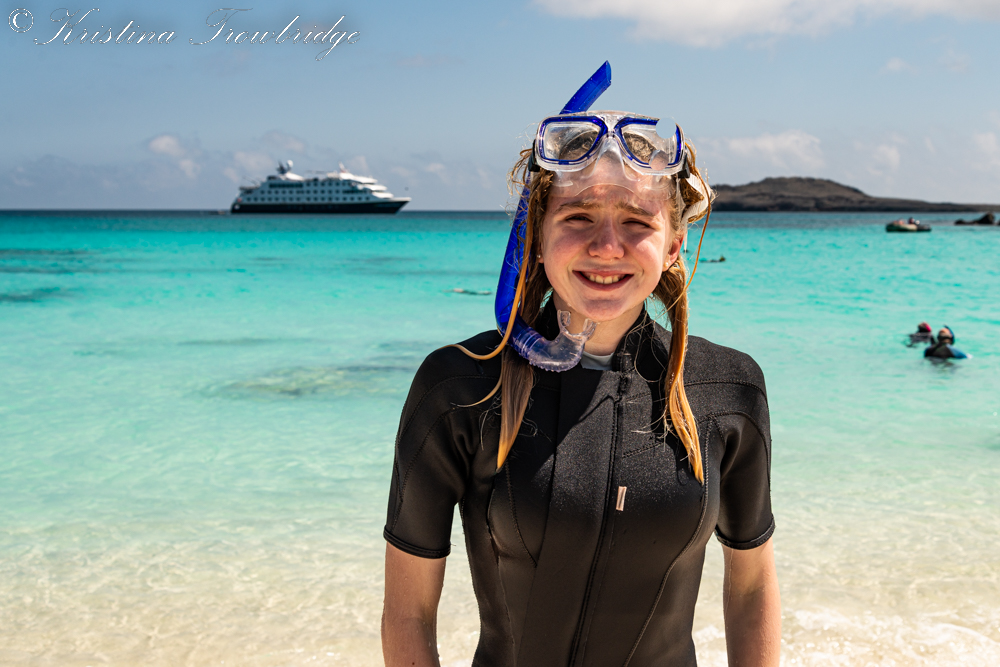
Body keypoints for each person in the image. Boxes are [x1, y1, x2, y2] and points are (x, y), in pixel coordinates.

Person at [382, 63, 780, 667]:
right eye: (577, 217)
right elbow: (409, 613)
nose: (606, 247)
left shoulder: (727, 388)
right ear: (534, 236)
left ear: (672, 246)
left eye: (637, 222)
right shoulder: (462, 385)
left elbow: (751, 590)